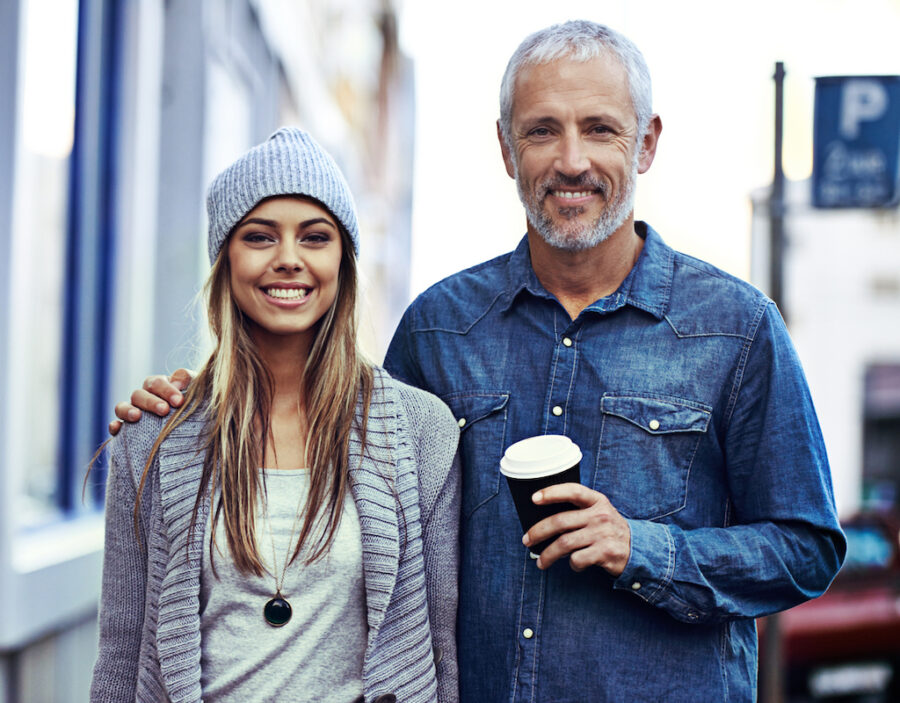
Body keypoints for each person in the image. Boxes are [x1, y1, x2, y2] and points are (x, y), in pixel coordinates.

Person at [113, 21, 846, 703]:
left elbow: (807, 546)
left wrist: (645, 548)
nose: (571, 160)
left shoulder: (736, 329)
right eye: (541, 131)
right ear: (505, 148)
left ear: (646, 143)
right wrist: (197, 407)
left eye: (599, 129)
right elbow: (335, 486)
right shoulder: (438, 328)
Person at [92, 127, 460, 703]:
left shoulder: (422, 434)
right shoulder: (152, 438)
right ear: (226, 258)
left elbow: (439, 652)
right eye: (260, 237)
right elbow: (120, 650)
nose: (289, 260)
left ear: (344, 260)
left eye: (315, 238)